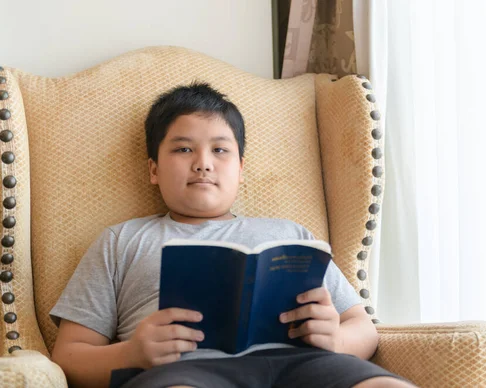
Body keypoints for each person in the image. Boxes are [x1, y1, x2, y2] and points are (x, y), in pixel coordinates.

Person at [50, 82, 415, 388]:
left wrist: (335, 338)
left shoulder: (289, 233)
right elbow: (68, 356)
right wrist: (131, 354)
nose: (203, 162)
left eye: (220, 150)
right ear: (154, 169)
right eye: (182, 149)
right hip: (184, 372)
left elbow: (362, 328)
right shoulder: (121, 241)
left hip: (305, 366)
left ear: (240, 169)